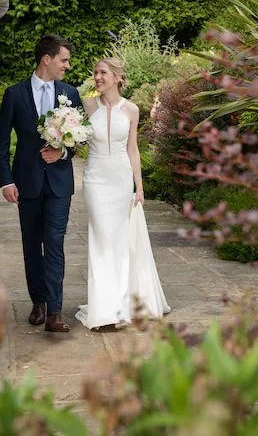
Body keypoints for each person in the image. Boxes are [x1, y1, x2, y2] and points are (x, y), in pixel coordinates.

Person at [0, 34, 83, 333]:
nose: (67, 66)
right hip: (27, 182)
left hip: (59, 183)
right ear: (47, 59)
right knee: (32, 245)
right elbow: (2, 141)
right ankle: (38, 302)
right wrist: (6, 181)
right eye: (64, 60)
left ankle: (55, 312)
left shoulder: (70, 93)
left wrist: (62, 152)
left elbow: (80, 139)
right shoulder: (15, 94)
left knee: (55, 244)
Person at [75, 58, 170, 330]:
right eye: (95, 73)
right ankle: (104, 308)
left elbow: (132, 150)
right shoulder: (87, 104)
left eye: (102, 72)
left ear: (118, 77)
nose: (97, 77)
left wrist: (139, 186)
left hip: (120, 179)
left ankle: (119, 303)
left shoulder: (131, 110)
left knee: (118, 241)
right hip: (94, 179)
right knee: (101, 239)